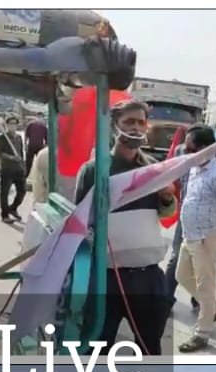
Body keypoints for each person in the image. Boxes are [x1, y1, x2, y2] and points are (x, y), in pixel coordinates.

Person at [74, 99, 177, 355]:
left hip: (148, 277)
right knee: (97, 347)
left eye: (140, 122)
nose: (135, 128)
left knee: (150, 346)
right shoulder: (94, 170)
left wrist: (166, 197)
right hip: (106, 277)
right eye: (128, 122)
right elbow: (79, 222)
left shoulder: (153, 168)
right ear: (113, 126)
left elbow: (167, 212)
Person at [176, 124, 216, 353]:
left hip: (206, 238)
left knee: (205, 285)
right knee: (182, 276)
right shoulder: (194, 169)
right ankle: (213, 310)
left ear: (204, 149)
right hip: (190, 235)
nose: (187, 154)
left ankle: (202, 333)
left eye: (191, 149)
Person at [0, 115, 28, 222]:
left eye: (14, 124)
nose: (12, 126)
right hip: (7, 169)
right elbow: (0, 153)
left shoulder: (19, 138)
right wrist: (12, 158)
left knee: (22, 191)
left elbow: (21, 153)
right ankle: (4, 215)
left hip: (18, 169)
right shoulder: (2, 138)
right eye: (10, 124)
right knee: (4, 193)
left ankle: (13, 208)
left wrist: (23, 165)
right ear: (7, 125)